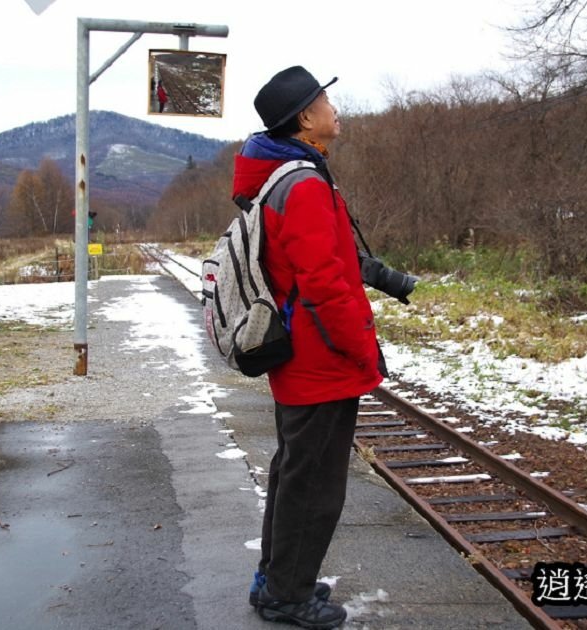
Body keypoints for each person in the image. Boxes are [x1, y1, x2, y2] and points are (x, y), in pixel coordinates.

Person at [233, 66, 385, 629]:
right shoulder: (303, 185)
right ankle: (286, 596)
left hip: (303, 357)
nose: (334, 109)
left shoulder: (282, 177)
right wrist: (363, 353)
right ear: (304, 119)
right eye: (326, 101)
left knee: (294, 472)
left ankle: (277, 580)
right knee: (314, 484)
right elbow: (326, 285)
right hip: (322, 360)